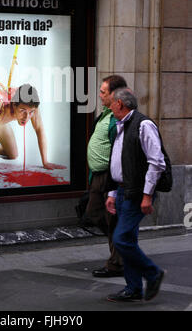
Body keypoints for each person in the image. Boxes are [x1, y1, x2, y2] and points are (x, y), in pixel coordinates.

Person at [105, 87, 166, 303]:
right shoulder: (121, 125)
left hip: (137, 192)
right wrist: (112, 192)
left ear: (119, 104)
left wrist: (147, 195)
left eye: (111, 102)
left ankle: (152, 273)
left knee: (121, 239)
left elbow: (156, 162)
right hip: (122, 190)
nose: (109, 106)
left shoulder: (143, 124)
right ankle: (133, 288)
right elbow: (119, 161)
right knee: (128, 239)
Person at [85, 75, 127, 278]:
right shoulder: (105, 114)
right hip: (98, 176)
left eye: (103, 92)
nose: (99, 95)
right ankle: (123, 249)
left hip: (110, 178)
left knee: (113, 220)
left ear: (114, 94)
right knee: (94, 214)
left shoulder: (119, 119)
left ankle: (118, 263)